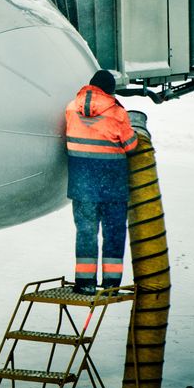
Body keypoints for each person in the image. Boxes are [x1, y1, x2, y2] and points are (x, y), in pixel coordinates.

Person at [64, 69, 137, 294]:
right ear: (110, 90)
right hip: (112, 186)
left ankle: (84, 282)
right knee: (113, 232)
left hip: (82, 185)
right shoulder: (116, 113)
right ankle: (110, 284)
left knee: (86, 231)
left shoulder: (71, 108)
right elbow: (130, 145)